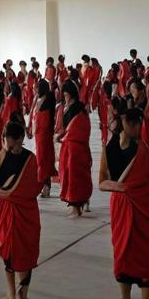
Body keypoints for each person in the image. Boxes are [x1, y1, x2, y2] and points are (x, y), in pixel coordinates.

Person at [100, 105, 149, 299]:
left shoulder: (142, 149)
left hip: (142, 205)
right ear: (126, 124)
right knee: (122, 250)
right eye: (134, 124)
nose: (138, 129)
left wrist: (125, 188)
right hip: (121, 206)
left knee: (145, 250)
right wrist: (120, 188)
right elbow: (102, 182)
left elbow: (143, 179)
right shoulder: (111, 148)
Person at [0, 120, 42, 299]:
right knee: (9, 254)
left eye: (13, 143)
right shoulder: (1, 158)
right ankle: (11, 295)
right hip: (8, 213)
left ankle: (23, 294)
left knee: (26, 252)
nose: (10, 147)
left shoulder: (31, 159)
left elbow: (34, 188)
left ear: (21, 139)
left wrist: (10, 194)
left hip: (26, 213)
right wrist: (5, 194)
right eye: (6, 143)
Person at [57, 81, 92, 216]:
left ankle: (76, 205)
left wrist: (63, 136)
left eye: (66, 95)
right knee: (69, 174)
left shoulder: (78, 108)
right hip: (69, 146)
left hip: (75, 147)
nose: (65, 97)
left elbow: (78, 127)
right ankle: (76, 203)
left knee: (75, 175)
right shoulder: (67, 107)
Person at [33, 78, 57, 197]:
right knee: (43, 160)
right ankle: (45, 186)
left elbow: (44, 122)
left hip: (43, 136)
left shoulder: (46, 102)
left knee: (43, 161)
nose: (35, 89)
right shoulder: (41, 100)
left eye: (37, 87)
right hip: (40, 136)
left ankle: (43, 186)